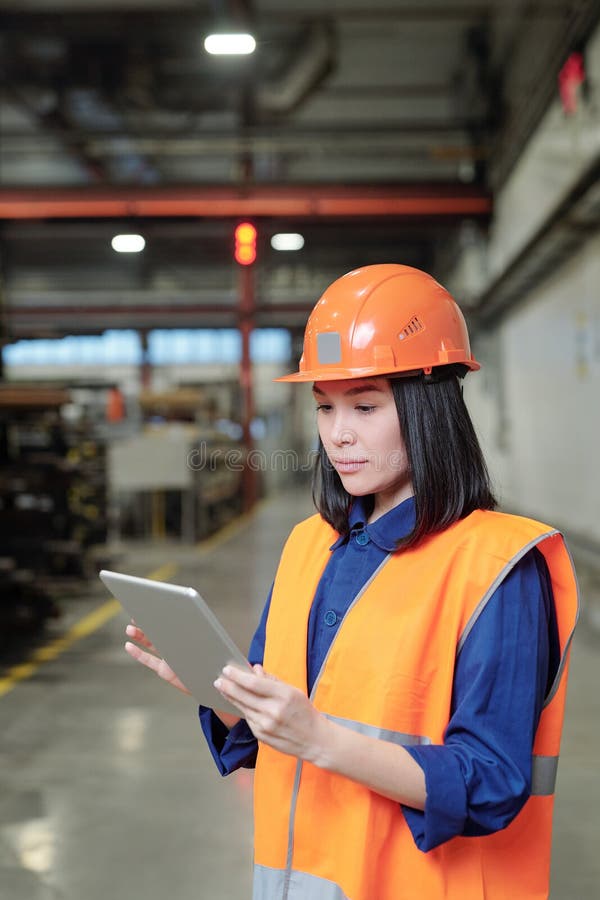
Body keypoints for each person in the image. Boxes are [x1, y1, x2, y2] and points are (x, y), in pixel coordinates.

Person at [125, 264, 579, 900]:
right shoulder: (309, 544)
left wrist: (321, 739)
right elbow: (276, 725)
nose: (338, 434)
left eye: (365, 406)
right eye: (324, 407)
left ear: (430, 408)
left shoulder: (498, 566)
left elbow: (491, 781)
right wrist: (219, 689)